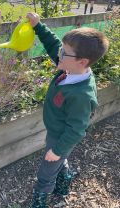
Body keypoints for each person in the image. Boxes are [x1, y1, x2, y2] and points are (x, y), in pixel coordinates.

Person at [26, 12, 109, 207]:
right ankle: (64, 181)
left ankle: (40, 201)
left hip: (61, 136)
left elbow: (77, 129)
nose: (58, 54)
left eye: (64, 52)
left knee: (46, 172)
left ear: (82, 61)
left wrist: (57, 149)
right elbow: (53, 44)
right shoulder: (69, 67)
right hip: (56, 128)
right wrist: (38, 26)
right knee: (57, 161)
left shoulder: (81, 94)